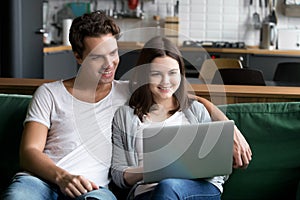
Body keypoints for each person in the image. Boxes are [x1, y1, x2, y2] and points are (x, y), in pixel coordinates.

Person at [1, 10, 251, 200]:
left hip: (94, 189)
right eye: (97, 57)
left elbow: (177, 93)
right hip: (40, 181)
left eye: (113, 53)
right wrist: (63, 177)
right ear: (77, 56)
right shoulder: (50, 94)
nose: (109, 64)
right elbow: (29, 152)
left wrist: (229, 126)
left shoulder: (128, 91)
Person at [111, 36, 231, 199]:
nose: (166, 81)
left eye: (172, 73)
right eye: (156, 74)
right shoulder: (125, 116)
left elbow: (219, 169)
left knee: (169, 186)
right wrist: (149, 170)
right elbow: (118, 175)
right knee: (165, 187)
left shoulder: (195, 110)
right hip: (148, 193)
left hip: (197, 190)